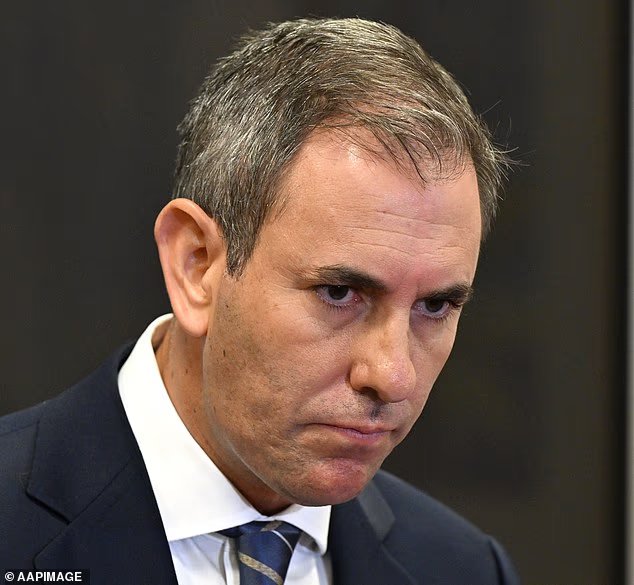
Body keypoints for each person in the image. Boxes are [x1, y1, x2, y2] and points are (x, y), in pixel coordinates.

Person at [0, 17, 519, 585]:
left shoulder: (464, 569)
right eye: (339, 294)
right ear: (197, 264)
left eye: (435, 307)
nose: (393, 376)